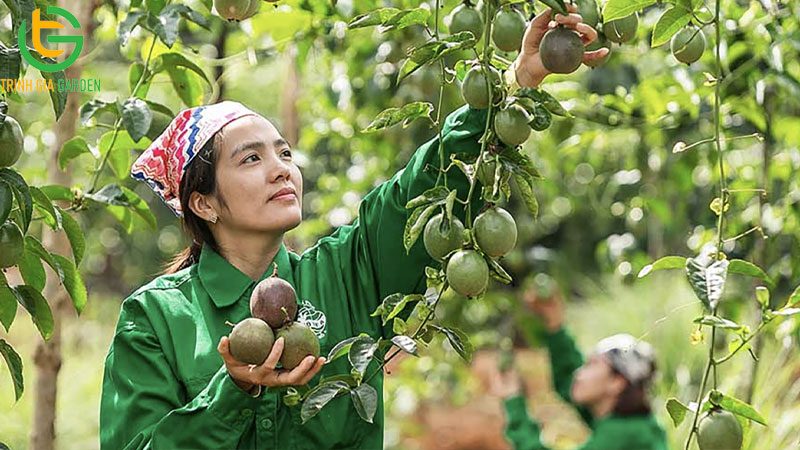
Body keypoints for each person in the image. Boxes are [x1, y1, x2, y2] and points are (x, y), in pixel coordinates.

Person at [99, 5, 607, 450]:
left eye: (284, 153)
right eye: (251, 159)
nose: (282, 169)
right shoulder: (156, 317)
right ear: (204, 204)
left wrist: (518, 80)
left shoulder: (345, 275)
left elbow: (420, 184)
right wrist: (233, 392)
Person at [490, 290, 668, 450]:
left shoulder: (622, 434)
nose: (579, 373)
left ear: (617, 382)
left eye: (593, 364)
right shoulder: (630, 425)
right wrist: (555, 327)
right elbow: (570, 381)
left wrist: (514, 403)